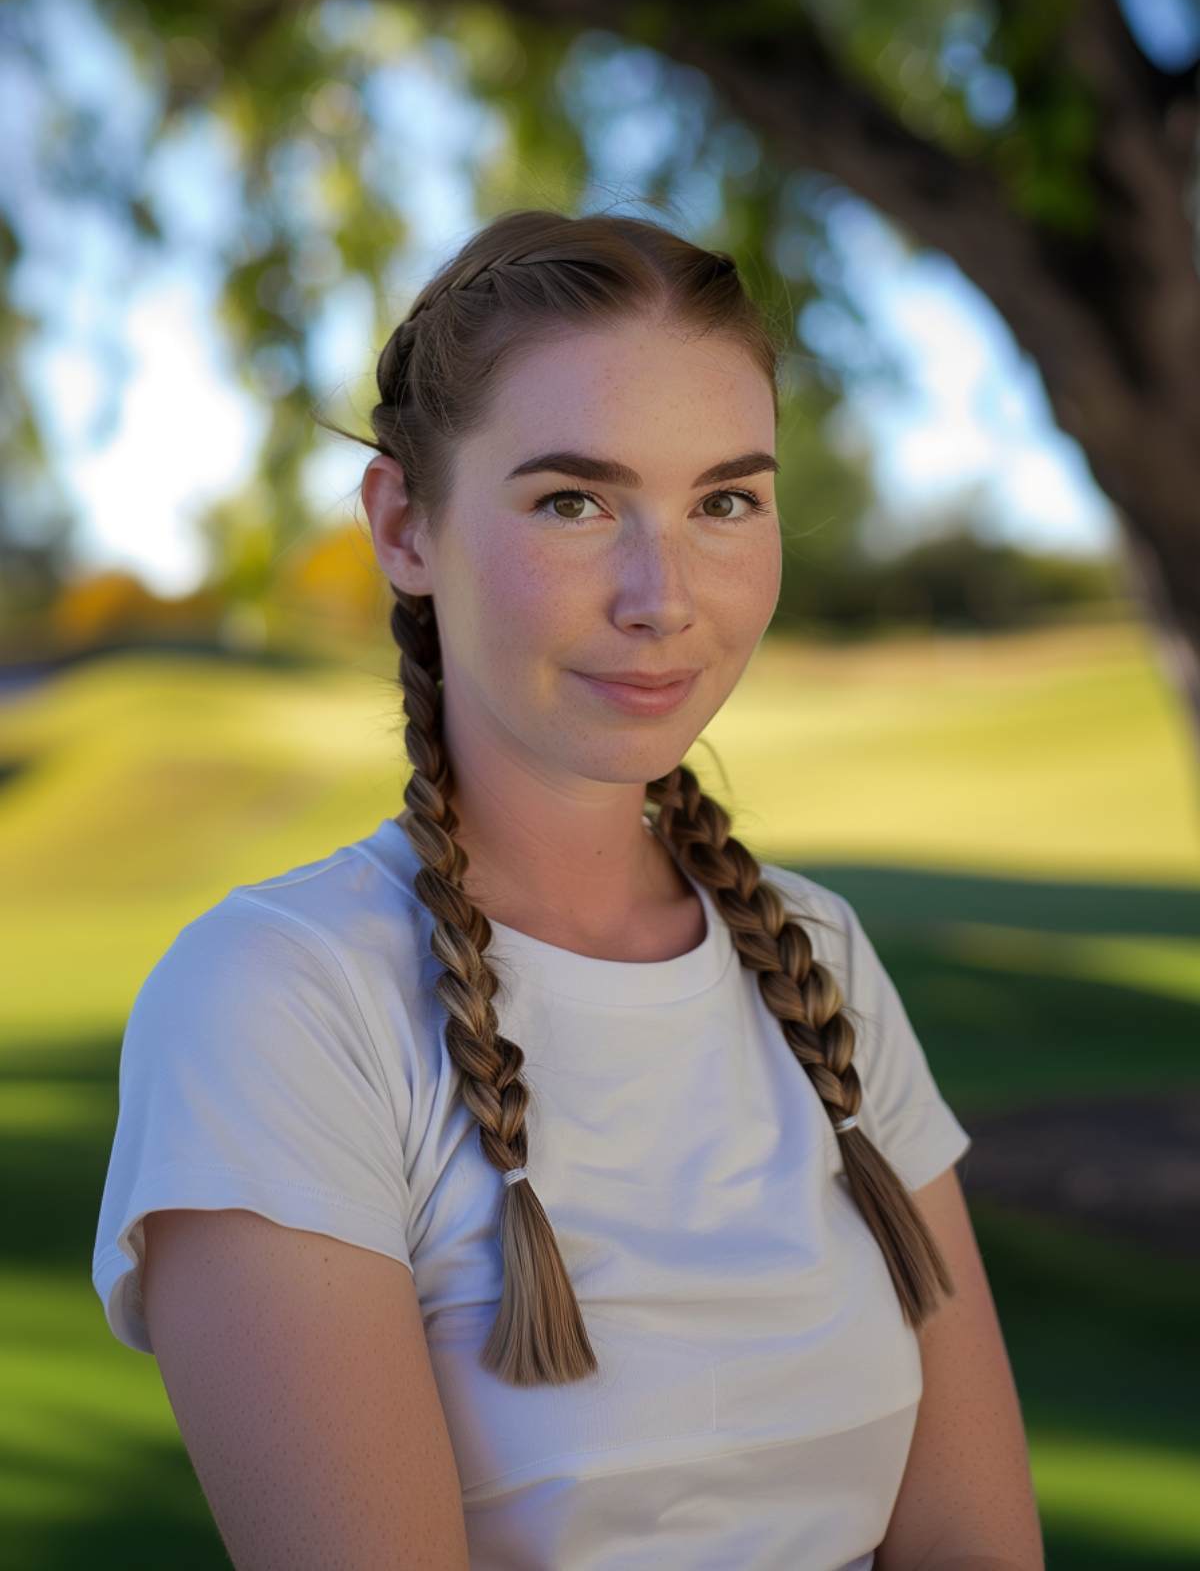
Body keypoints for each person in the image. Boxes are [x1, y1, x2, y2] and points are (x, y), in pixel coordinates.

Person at [91, 208, 1043, 1569]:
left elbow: (977, 1545)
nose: (666, 596)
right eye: (574, 502)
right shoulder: (280, 1005)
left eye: (725, 500)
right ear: (406, 526)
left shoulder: (816, 957)